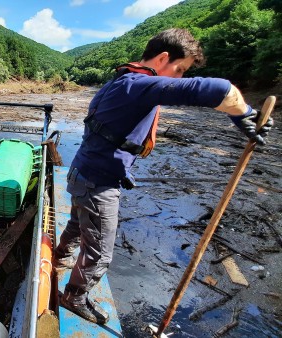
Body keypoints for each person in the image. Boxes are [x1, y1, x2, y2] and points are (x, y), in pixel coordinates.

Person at [54, 28, 274, 324]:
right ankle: (74, 298)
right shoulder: (139, 85)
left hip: (84, 172)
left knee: (78, 223)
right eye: (180, 69)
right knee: (101, 252)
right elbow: (220, 90)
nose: (180, 78)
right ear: (163, 58)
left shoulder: (120, 82)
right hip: (98, 182)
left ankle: (59, 257)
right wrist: (244, 113)